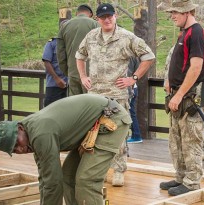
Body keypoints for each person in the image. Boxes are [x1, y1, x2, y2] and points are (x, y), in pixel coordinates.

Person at [0, 94, 132, 205]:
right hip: (93, 126)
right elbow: (46, 179)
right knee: (68, 177)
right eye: (15, 150)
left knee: (87, 181)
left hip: (112, 120)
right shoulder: (31, 133)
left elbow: (53, 182)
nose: (20, 149)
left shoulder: (41, 134)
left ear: (20, 128)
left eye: (17, 142)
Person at [75, 3, 155, 186]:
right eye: (103, 17)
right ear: (97, 19)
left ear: (115, 16)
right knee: (93, 134)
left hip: (117, 95)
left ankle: (119, 170)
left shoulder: (126, 37)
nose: (107, 19)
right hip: (94, 96)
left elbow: (148, 56)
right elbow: (79, 55)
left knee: (118, 135)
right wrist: (83, 76)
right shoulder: (91, 36)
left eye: (110, 16)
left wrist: (133, 78)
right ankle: (98, 171)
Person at [160, 0, 204, 196]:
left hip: (189, 96)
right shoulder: (185, 33)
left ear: (189, 12)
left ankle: (191, 182)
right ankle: (181, 177)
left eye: (176, 12)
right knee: (177, 139)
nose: (172, 15)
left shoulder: (196, 32)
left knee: (191, 140)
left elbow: (196, 67)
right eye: (171, 11)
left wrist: (180, 94)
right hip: (178, 94)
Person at [164, 46, 204, 160]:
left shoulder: (200, 49)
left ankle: (201, 149)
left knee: (197, 123)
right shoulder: (174, 49)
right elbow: (168, 69)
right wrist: (168, 88)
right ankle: (181, 151)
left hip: (197, 92)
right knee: (177, 123)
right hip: (176, 91)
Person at [57, 4, 98, 96]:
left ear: (76, 13)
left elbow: (60, 53)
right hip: (91, 74)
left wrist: (67, 71)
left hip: (72, 72)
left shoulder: (64, 26)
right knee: (92, 105)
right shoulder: (95, 24)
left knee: (74, 106)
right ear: (90, 14)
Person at [42, 34, 68, 107]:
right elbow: (46, 61)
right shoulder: (52, 42)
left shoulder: (72, 42)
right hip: (54, 85)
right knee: (50, 110)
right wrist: (57, 79)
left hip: (69, 86)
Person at [127, 57, 143, 143]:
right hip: (133, 87)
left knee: (130, 112)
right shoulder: (134, 57)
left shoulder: (131, 57)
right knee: (131, 112)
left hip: (130, 89)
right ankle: (136, 135)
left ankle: (136, 136)